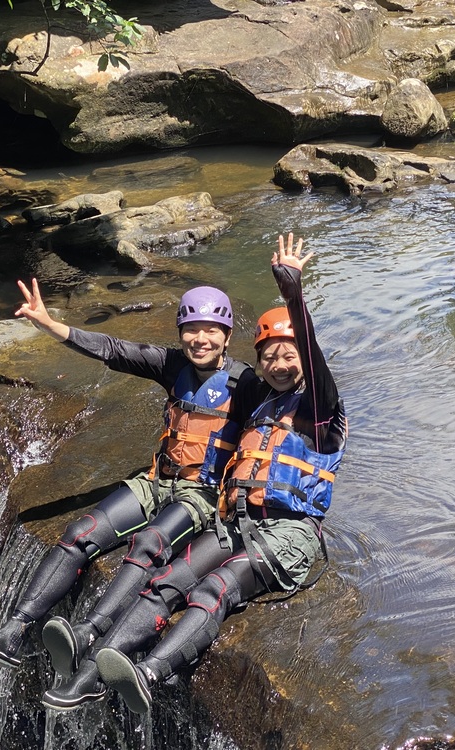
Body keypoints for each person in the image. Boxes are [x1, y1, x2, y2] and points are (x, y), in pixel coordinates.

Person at [80, 232, 348, 715]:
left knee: (213, 589)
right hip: (236, 522)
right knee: (166, 579)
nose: (279, 364)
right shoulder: (259, 401)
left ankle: (147, 674)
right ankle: (96, 669)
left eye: (288, 356)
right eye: (269, 357)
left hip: (289, 532)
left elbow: (313, 355)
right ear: (258, 362)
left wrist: (293, 293)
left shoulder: (320, 409)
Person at [0, 279, 257, 685]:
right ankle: (14, 631)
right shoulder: (171, 366)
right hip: (157, 480)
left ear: (227, 336)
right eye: (191, 329)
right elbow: (113, 349)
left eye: (211, 330)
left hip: (202, 494)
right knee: (80, 533)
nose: (200, 339)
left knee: (150, 543)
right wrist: (50, 325)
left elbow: (299, 401)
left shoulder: (246, 384)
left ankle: (87, 634)